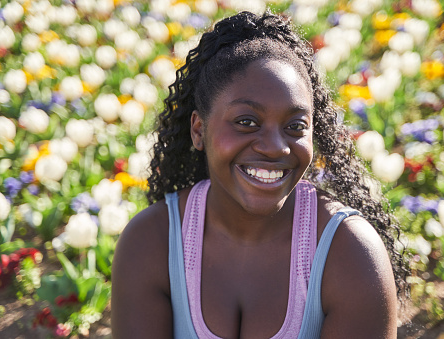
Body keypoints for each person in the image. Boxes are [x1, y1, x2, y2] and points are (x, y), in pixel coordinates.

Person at [112, 11, 407, 339]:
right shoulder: (152, 242)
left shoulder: (349, 253)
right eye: (246, 121)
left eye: (295, 126)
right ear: (199, 130)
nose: (275, 148)